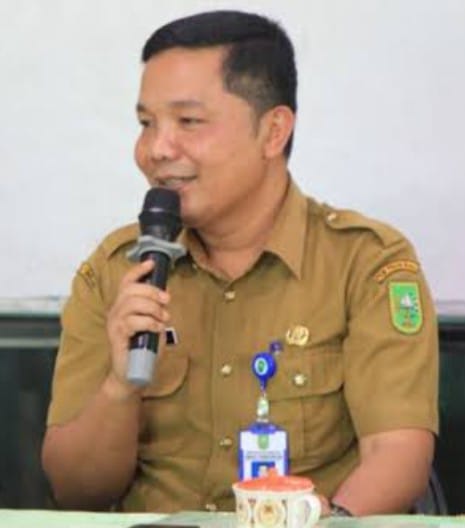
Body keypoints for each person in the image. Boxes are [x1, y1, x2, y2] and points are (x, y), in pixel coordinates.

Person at [41, 10, 438, 516]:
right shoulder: (116, 269)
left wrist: (326, 524)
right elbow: (75, 491)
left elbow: (397, 455)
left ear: (273, 132)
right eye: (146, 123)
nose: (156, 149)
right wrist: (120, 387)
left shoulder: (365, 262)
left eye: (188, 122)